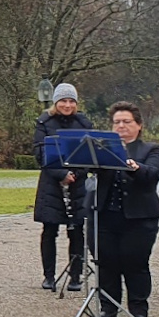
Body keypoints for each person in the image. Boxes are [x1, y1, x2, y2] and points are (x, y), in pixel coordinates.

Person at [91, 102, 159, 317]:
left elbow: (154, 174)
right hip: (106, 214)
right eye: (117, 122)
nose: (121, 126)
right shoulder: (102, 148)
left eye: (126, 122)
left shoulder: (150, 149)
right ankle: (109, 308)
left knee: (136, 262)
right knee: (106, 261)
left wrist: (136, 168)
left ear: (139, 125)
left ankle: (138, 309)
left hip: (140, 217)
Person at [32, 84, 93, 291]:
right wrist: (61, 174)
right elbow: (41, 154)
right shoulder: (44, 122)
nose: (67, 105)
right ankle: (49, 276)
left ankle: (75, 276)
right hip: (52, 183)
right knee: (49, 229)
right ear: (56, 102)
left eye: (71, 101)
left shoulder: (83, 122)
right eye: (63, 101)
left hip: (77, 184)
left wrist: (75, 174)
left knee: (76, 230)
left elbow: (91, 154)